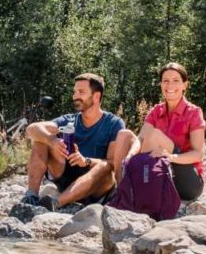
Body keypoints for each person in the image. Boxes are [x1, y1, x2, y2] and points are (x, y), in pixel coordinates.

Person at [21, 73, 138, 211]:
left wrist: (86, 161)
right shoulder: (69, 120)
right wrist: (52, 140)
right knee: (41, 139)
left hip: (97, 186)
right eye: (75, 92)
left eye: (81, 92)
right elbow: (31, 129)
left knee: (105, 166)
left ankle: (56, 203)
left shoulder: (113, 123)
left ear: (96, 96)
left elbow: (113, 163)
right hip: (67, 176)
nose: (75, 96)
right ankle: (31, 197)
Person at [137, 62, 206, 201]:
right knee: (128, 138)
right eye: (165, 81)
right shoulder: (156, 111)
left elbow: (198, 154)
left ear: (185, 85)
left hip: (188, 183)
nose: (170, 85)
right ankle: (136, 186)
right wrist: (129, 157)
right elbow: (141, 140)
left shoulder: (193, 112)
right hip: (162, 175)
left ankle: (142, 186)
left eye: (176, 80)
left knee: (156, 135)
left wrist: (170, 157)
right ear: (161, 84)